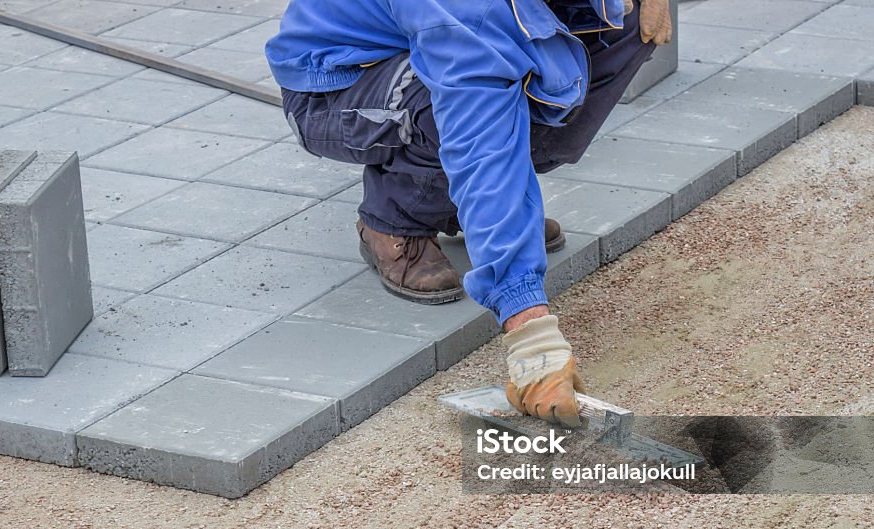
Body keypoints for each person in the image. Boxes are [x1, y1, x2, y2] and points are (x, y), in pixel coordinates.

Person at [266, 0, 672, 426]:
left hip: (448, 36)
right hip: (338, 84)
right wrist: (530, 332)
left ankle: (486, 206)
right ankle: (394, 216)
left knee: (626, 20)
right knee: (458, 108)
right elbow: (478, 137)